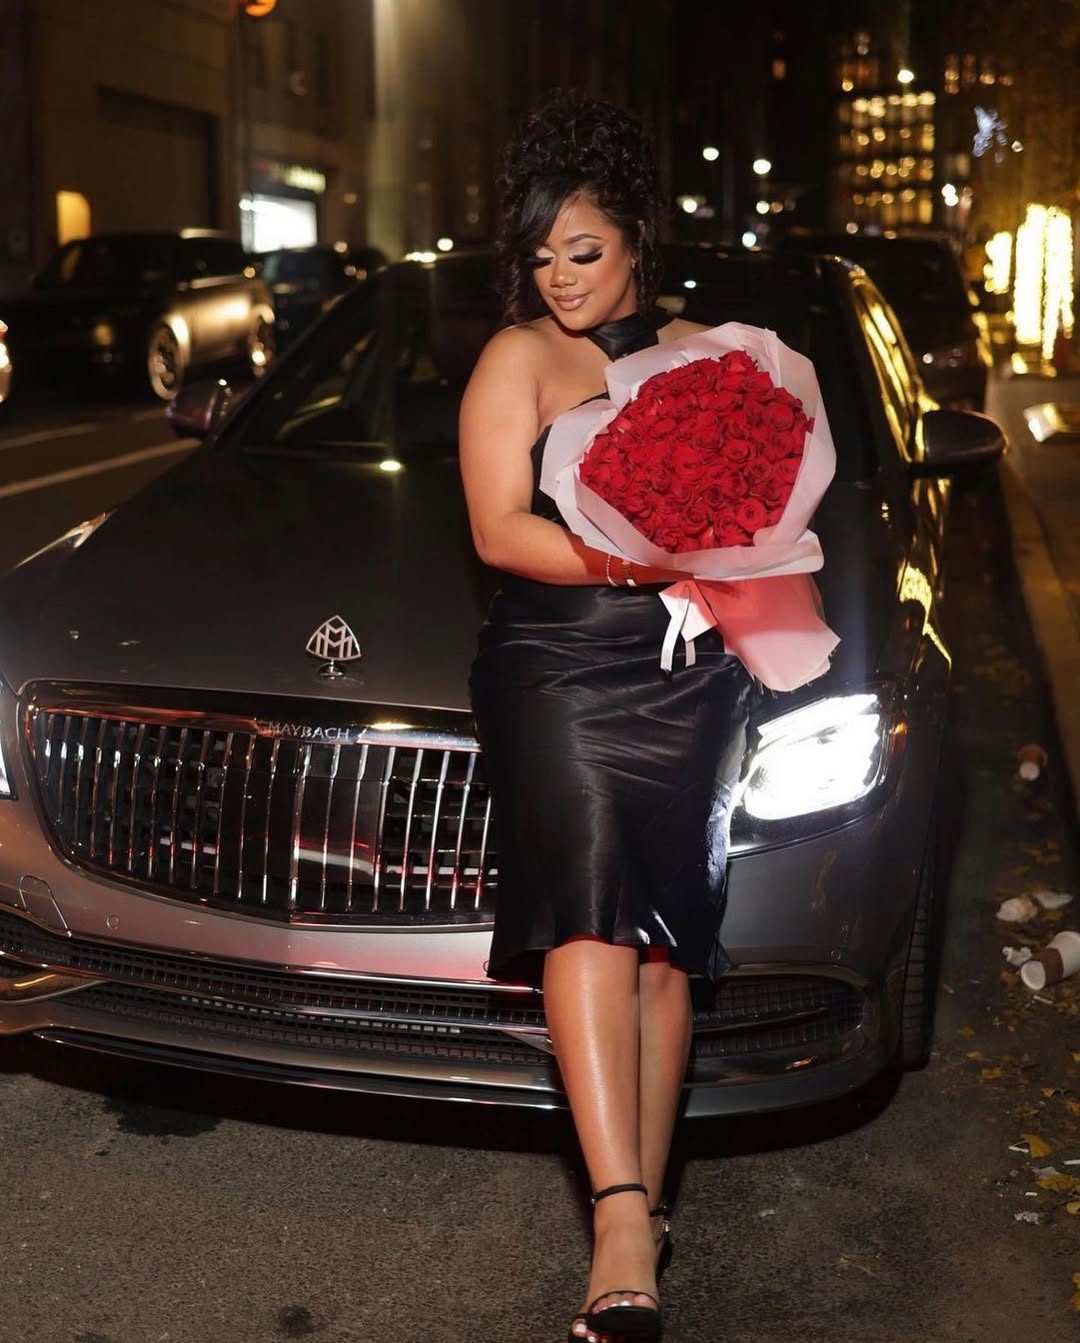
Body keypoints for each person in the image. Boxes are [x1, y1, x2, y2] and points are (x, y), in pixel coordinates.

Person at [459, 94, 753, 1343]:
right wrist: (631, 560)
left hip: (692, 666)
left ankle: (647, 1187)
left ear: (636, 236)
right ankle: (620, 1217)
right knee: (587, 911)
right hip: (565, 664)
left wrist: (730, 535)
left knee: (665, 938)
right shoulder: (518, 357)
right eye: (540, 254)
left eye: (582, 250)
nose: (560, 277)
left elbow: (763, 506)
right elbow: (499, 530)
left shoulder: (705, 351)